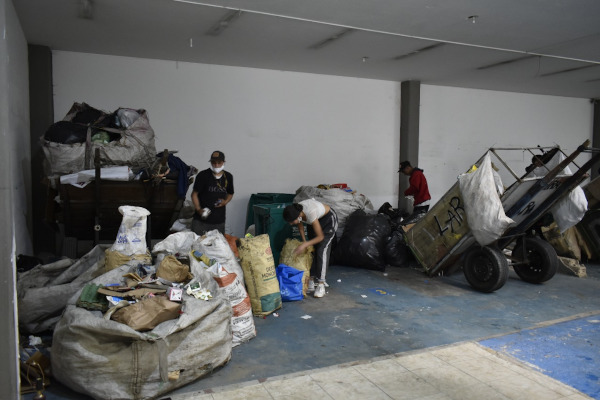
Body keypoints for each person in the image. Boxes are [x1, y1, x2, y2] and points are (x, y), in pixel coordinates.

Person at [283, 199, 338, 298]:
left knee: (322, 249)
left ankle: (321, 284)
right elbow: (300, 227)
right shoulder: (298, 211)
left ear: (298, 216)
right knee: (312, 249)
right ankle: (311, 280)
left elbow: (320, 237)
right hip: (314, 221)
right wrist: (305, 242)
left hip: (328, 220)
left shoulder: (310, 212)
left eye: (291, 221)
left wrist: (304, 245)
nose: (291, 224)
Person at [191, 150, 234, 235]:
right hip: (201, 221)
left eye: (219, 163)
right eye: (214, 163)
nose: (216, 165)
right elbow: (194, 195)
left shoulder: (228, 177)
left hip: (219, 220)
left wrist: (225, 202)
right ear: (211, 162)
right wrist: (199, 209)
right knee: (197, 245)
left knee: (217, 245)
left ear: (223, 162)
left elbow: (230, 193)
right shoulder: (203, 175)